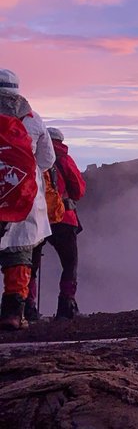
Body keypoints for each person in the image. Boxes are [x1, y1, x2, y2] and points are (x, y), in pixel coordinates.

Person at [0, 69, 54, 330]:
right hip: (21, 195)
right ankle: (12, 314)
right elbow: (47, 159)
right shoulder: (32, 119)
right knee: (19, 252)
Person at [28, 127, 86, 321]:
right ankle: (66, 307)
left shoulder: (31, 159)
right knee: (69, 263)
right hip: (63, 219)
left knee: (30, 264)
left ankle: (27, 307)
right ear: (60, 141)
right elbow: (78, 191)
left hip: (35, 219)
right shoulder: (63, 159)